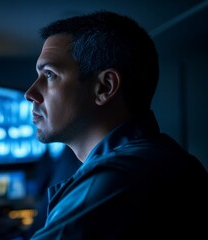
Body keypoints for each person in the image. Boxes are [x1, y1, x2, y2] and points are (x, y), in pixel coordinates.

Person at [24, 11, 208, 239]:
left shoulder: (116, 178)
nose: (30, 93)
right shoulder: (163, 156)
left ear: (105, 87)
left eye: (49, 75)